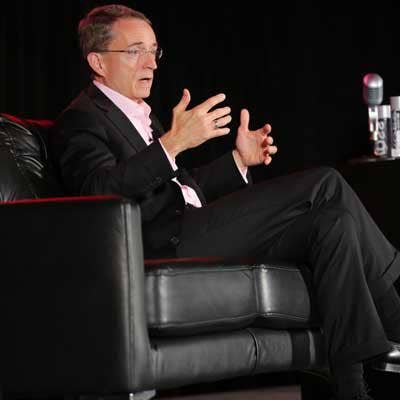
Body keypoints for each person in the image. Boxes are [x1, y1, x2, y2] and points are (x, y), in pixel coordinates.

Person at [51, 4, 400, 399]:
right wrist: (172, 144)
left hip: (193, 227)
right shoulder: (80, 120)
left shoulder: (137, 113)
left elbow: (181, 189)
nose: (150, 62)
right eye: (135, 51)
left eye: (153, 50)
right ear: (98, 61)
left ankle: (352, 387)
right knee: (326, 183)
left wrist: (238, 161)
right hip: (164, 243)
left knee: (334, 223)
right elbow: (97, 192)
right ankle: (396, 321)